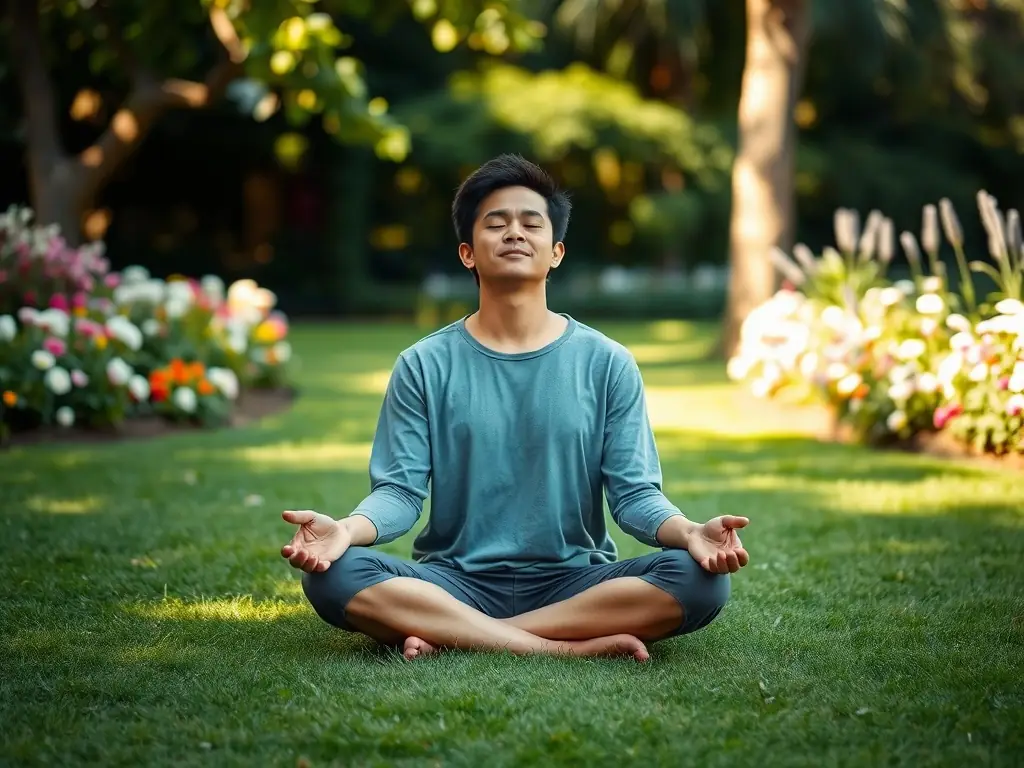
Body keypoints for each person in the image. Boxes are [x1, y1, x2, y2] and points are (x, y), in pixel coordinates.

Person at [281, 154, 749, 662]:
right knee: (334, 575)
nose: (514, 234)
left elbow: (634, 495)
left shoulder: (608, 363)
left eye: (531, 224)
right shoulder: (422, 364)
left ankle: (457, 633)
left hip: (576, 583)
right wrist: (346, 531)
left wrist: (689, 532)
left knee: (699, 582)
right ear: (467, 252)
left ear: (556, 252)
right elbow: (399, 492)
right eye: (495, 223)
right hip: (452, 580)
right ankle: (560, 648)